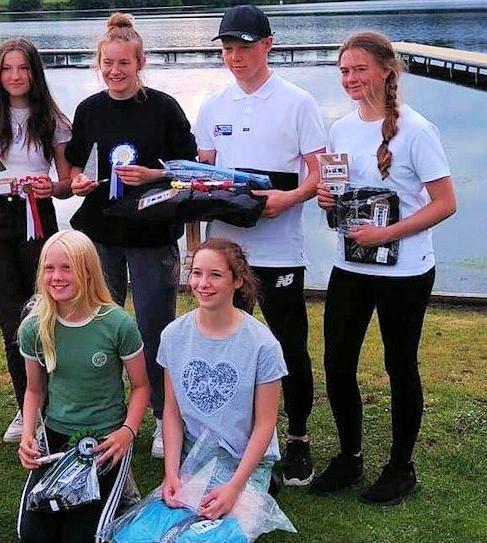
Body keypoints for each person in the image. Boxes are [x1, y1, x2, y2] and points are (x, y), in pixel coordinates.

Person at [310, 32, 456, 505]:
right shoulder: (340, 129)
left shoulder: (417, 130)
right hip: (349, 266)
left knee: (399, 367)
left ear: (386, 70)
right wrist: (326, 200)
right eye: (344, 70)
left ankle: (401, 468)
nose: (350, 78)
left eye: (359, 69)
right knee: (337, 365)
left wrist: (386, 235)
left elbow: (445, 203)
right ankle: (350, 458)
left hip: (406, 273)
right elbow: (337, 201)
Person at [194, 4, 326, 485]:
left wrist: (288, 197)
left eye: (245, 47)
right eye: (228, 48)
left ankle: (296, 440)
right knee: (229, 348)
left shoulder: (298, 102)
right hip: (226, 253)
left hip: (279, 251)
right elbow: (203, 173)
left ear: (268, 45)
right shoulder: (212, 106)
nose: (235, 57)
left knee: (287, 347)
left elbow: (320, 172)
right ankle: (238, 439)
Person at [66, 12, 197, 458]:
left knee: (154, 329)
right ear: (98, 63)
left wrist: (155, 174)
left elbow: (188, 170)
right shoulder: (88, 110)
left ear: (141, 62)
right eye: (108, 63)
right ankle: (108, 417)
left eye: (124, 63)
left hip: (152, 237)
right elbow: (74, 166)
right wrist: (78, 182)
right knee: (100, 327)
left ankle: (164, 419)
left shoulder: (164, 107)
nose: (115, 71)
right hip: (100, 235)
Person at [0, 38, 72, 444]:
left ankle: (54, 405)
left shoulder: (54, 120)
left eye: (23, 68)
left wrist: (51, 186)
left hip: (38, 217)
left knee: (43, 314)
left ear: (34, 72)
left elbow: (66, 184)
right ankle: (26, 407)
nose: (15, 76)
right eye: (7, 69)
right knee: (11, 320)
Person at [16, 230, 151, 543]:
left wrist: (126, 433)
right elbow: (35, 390)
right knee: (32, 535)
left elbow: (142, 387)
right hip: (55, 438)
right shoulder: (35, 326)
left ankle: (122, 492)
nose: (57, 277)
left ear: (88, 271)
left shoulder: (118, 324)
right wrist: (27, 437)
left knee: (84, 536)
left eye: (67, 268)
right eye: (49, 268)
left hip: (105, 440)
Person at [158, 238, 287, 522]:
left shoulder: (263, 345)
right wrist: (171, 473)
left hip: (246, 461)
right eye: (197, 273)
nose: (203, 283)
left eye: (215, 275)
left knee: (219, 530)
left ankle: (263, 487)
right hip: (195, 455)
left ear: (237, 281)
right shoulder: (173, 336)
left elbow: (266, 424)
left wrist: (235, 487)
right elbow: (172, 412)